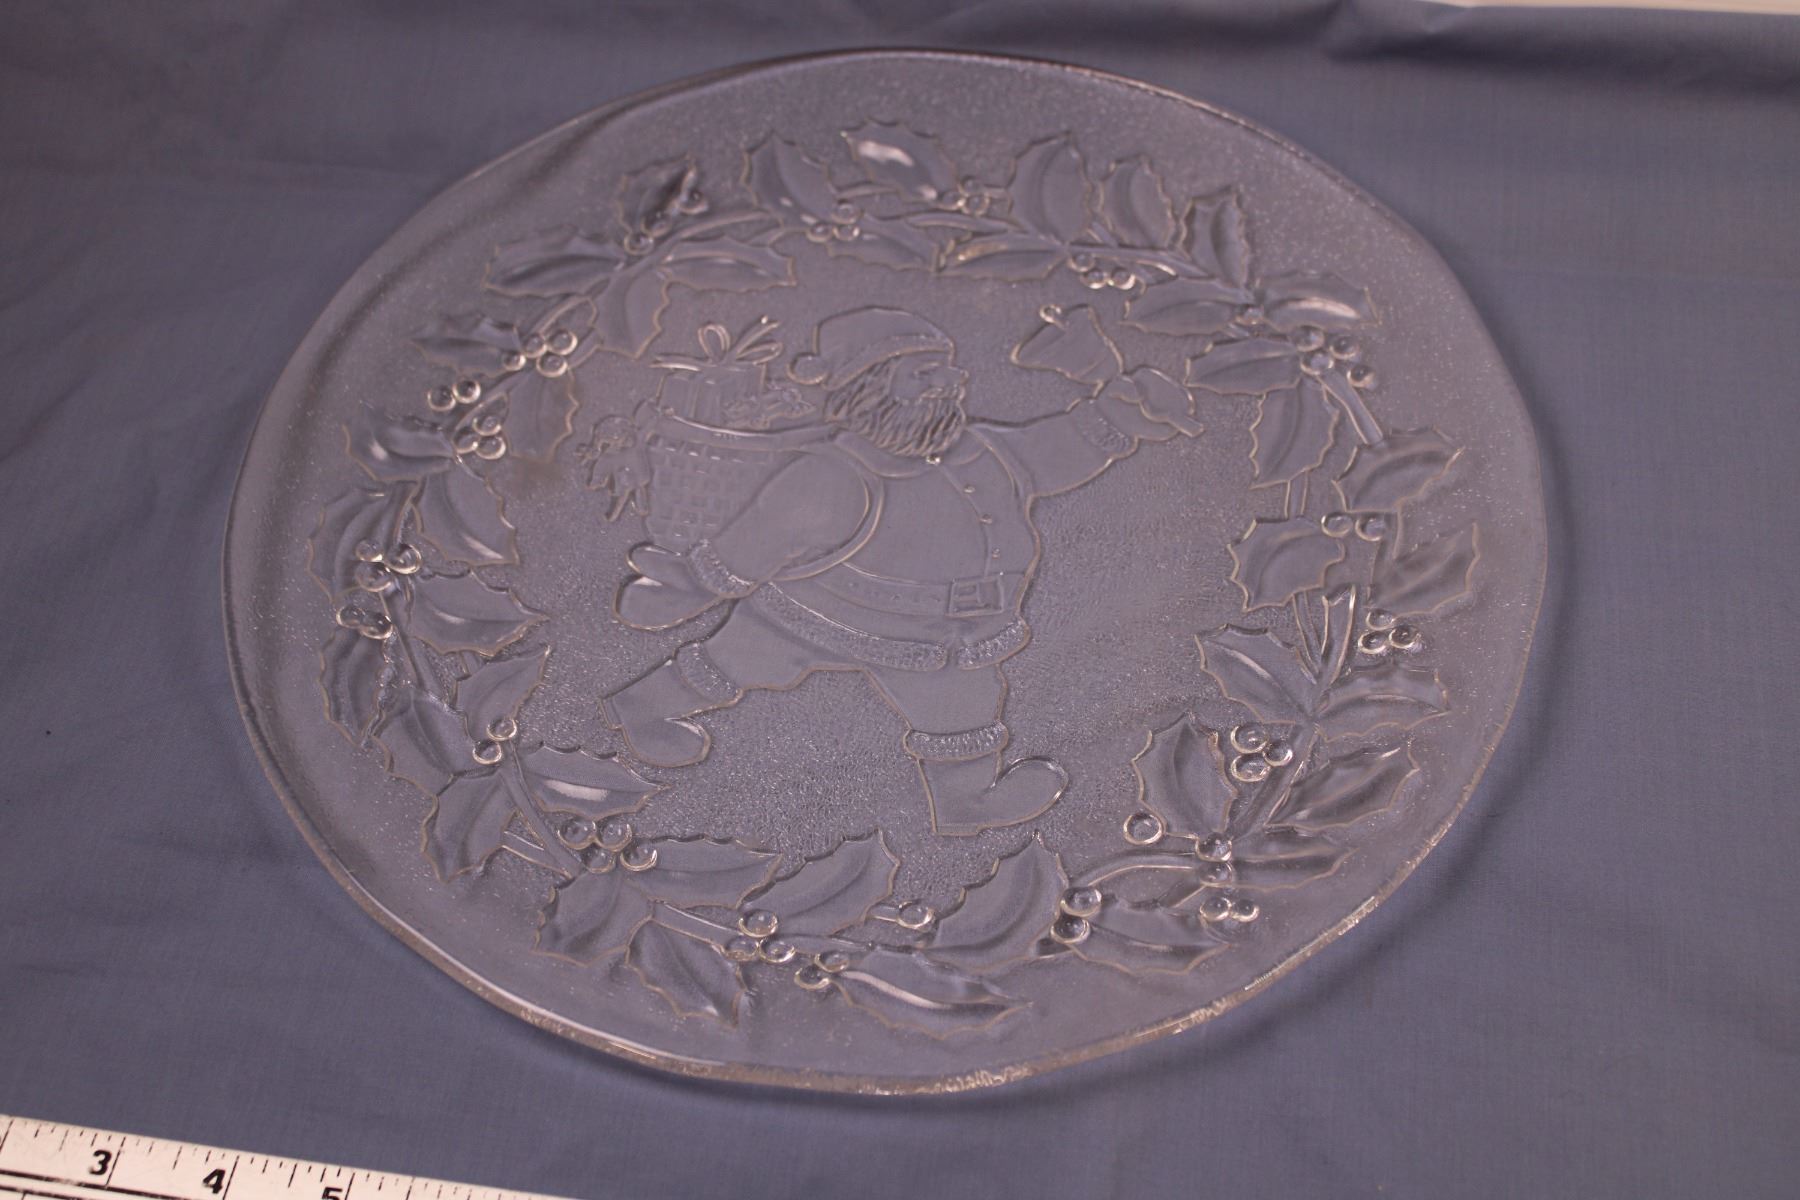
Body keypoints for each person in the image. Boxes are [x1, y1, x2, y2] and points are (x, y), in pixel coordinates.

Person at [602, 306, 1195, 835]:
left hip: (942, 632)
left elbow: (1058, 449)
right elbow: (755, 545)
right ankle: (642, 708)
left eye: (948, 371)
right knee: (734, 660)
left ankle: (966, 802)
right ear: (870, 388)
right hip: (815, 613)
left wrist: (1116, 418)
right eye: (924, 374)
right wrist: (690, 587)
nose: (950, 383)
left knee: (964, 702)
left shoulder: (987, 450)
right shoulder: (833, 475)